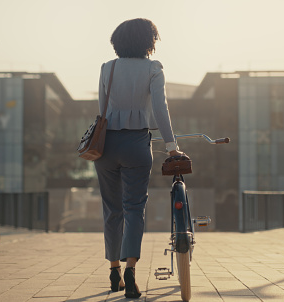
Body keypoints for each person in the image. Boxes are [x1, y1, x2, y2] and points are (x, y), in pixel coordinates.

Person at [94, 18, 184, 299]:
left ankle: (113, 270)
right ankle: (131, 266)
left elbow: (101, 110)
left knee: (112, 209)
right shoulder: (153, 69)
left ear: (117, 41)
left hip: (106, 146)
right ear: (149, 41)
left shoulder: (107, 68)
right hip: (136, 145)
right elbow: (160, 109)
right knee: (134, 207)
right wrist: (171, 146)